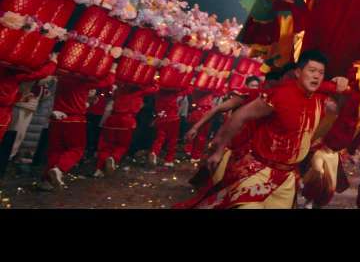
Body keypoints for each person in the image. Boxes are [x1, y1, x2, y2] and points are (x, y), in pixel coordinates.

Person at [181, 50, 341, 209]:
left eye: (321, 73)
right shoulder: (277, 95)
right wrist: (218, 149)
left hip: (286, 180)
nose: (316, 76)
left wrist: (343, 83)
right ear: (297, 73)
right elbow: (237, 116)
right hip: (258, 171)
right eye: (312, 71)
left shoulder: (321, 100)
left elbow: (347, 108)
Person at [40, 70, 115, 190]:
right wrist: (112, 70)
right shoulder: (84, 81)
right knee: (77, 149)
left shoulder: (63, 77)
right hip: (75, 119)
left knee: (55, 151)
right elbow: (106, 81)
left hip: (57, 117)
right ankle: (59, 169)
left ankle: (46, 182)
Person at [94, 79, 158, 177]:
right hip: (127, 121)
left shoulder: (118, 90)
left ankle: (99, 169)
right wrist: (153, 79)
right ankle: (113, 158)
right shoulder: (140, 91)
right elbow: (155, 88)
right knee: (122, 145)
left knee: (105, 145)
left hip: (111, 120)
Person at [148, 83, 194, 168]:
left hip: (161, 118)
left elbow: (150, 89)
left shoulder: (158, 92)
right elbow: (189, 90)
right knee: (173, 140)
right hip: (173, 119)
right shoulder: (175, 93)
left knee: (160, 138)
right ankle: (168, 160)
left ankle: (154, 152)